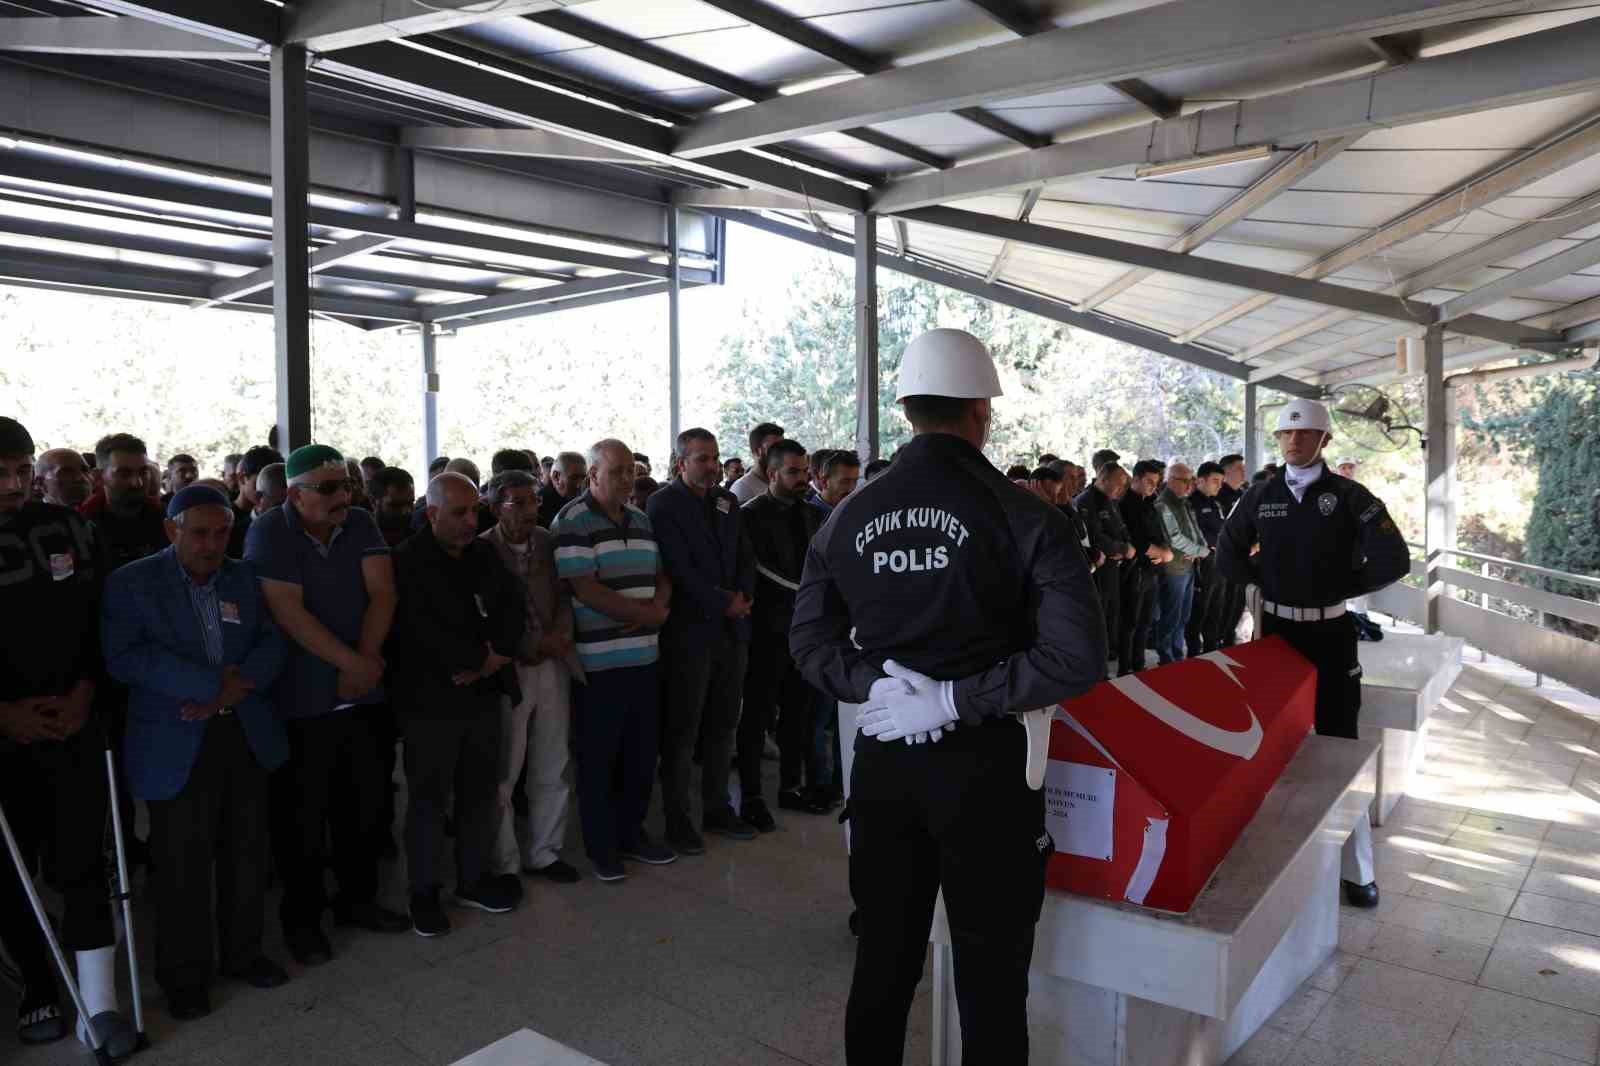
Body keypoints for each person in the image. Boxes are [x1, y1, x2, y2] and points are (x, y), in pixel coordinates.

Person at [791, 329, 1106, 1063]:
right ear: (980, 411)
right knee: (991, 977)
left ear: (906, 409)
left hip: (886, 762)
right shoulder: (1028, 518)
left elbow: (809, 643)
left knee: (882, 965)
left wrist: (879, 684)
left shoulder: (845, 518)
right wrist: (957, 700)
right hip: (989, 768)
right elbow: (1074, 658)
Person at [102, 485, 291, 1021]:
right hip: (174, 738)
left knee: (247, 853)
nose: (212, 544)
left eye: (221, 532)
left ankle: (245, 954)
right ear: (172, 530)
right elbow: (125, 656)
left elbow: (273, 642)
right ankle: (184, 976)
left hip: (246, 731)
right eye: (200, 533)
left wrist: (237, 688)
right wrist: (209, 687)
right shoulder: (132, 583)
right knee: (181, 866)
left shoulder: (245, 578)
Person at [1217, 398, 1410, 910]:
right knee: (1270, 745)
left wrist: (1342, 584)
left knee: (1339, 745)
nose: (1294, 443)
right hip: (1276, 636)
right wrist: (1267, 579)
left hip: (1331, 634)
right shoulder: (1260, 495)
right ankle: (1268, 861)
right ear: (1279, 440)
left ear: (1324, 440)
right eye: (1286, 436)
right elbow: (1227, 551)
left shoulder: (1349, 495)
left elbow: (1395, 557)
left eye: (1305, 436)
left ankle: (1357, 870)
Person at [0, 417, 140, 1059]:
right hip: (5, 736)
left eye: (21, 469)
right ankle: (38, 982)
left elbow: (103, 616)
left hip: (78, 721)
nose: (13, 484)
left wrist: (87, 688)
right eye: (1, 473)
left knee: (84, 862)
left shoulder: (72, 527)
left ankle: (101, 1003)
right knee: (10, 872)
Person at [245, 444, 409, 965]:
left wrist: (364, 662)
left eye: (347, 485)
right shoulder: (270, 530)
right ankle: (303, 920)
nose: (344, 496)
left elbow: (382, 593)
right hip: (302, 698)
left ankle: (358, 902)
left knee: (364, 809)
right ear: (295, 494)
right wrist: (353, 664)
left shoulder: (359, 523)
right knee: (302, 821)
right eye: (330, 488)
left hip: (363, 693)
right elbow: (288, 613)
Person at [390, 473, 526, 934]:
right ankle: (423, 892)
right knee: (429, 800)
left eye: (475, 511)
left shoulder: (484, 554)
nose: (472, 521)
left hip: (485, 695)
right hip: (431, 701)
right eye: (459, 513)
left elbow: (512, 606)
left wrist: (495, 657)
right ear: (431, 514)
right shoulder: (407, 562)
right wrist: (474, 657)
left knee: (480, 792)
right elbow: (415, 629)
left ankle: (472, 879)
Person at [552, 439, 676, 882]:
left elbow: (661, 573)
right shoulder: (573, 520)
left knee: (641, 756)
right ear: (593, 475)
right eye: (618, 471)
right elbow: (584, 587)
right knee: (599, 759)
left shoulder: (641, 518)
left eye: (631, 470)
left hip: (644, 657)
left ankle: (632, 834)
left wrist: (659, 606)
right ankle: (602, 847)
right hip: (598, 665)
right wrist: (645, 614)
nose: (627, 478)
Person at [646, 429, 757, 852]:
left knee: (723, 724)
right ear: (680, 463)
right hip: (690, 633)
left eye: (714, 458)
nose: (711, 466)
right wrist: (720, 601)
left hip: (733, 631)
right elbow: (676, 567)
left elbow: (745, 555)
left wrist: (743, 596)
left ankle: (717, 808)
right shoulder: (663, 504)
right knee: (683, 731)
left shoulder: (727, 501)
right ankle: (678, 818)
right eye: (701, 459)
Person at [480, 470, 582, 884]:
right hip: (511, 668)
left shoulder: (546, 540)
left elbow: (565, 595)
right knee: (507, 767)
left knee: (553, 760)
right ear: (494, 507)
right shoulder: (482, 549)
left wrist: (559, 636)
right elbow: (485, 615)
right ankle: (504, 860)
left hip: (555, 661)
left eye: (532, 501)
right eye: (516, 503)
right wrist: (526, 646)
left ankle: (545, 852)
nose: (527, 511)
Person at [739, 439, 827, 826]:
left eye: (805, 471)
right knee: (756, 717)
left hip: (805, 635)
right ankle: (751, 796)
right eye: (793, 472)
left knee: (799, 717)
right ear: (772, 473)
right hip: (765, 633)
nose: (802, 479)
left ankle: (791, 787)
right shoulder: (749, 515)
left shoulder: (815, 514)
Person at [1076, 462, 1133, 676]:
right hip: (1098, 569)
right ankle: (1097, 670)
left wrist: (1126, 546)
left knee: (1112, 616)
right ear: (1103, 479)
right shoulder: (1086, 501)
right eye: (1117, 485)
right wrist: (1119, 548)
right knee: (1099, 619)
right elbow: (1094, 536)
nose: (1120, 490)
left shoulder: (1110, 501)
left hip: (1114, 568)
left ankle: (1106, 664)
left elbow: (1120, 528)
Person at [1118, 459, 1171, 675]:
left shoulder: (1150, 501)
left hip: (1152, 571)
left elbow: (1160, 532)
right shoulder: (1126, 504)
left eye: (1156, 483)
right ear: (1136, 479)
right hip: (1135, 571)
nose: (1153, 487)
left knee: (1145, 622)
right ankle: (1125, 668)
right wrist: (1163, 554)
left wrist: (1165, 551)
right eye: (1149, 482)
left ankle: (1138, 665)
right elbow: (1137, 541)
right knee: (1130, 622)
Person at [1151, 463, 1208, 665]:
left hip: (1187, 566)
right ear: (1172, 480)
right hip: (1173, 569)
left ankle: (1176, 655)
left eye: (1191, 480)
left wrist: (1200, 548)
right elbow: (1175, 538)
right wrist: (1201, 551)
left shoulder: (1183, 502)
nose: (1190, 484)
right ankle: (1166, 658)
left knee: (1183, 616)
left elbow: (1194, 531)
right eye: (1186, 480)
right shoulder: (1163, 504)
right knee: (1171, 617)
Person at [1186, 462, 1227, 655]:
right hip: (1202, 564)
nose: (1219, 485)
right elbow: (1195, 534)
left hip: (1219, 562)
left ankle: (1212, 649)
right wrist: (1213, 543)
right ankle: (1194, 651)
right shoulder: (1190, 503)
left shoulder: (1215, 503)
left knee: (1216, 609)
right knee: (1199, 610)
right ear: (1200, 480)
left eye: (1221, 482)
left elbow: (1223, 530)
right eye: (1215, 481)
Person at [228, 445, 285, 559]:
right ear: (242, 478)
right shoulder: (226, 520)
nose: (267, 490)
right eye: (259, 483)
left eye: (275, 484)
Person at [730, 421, 785, 504]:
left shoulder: (782, 483)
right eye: (773, 449)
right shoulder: (742, 488)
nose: (781, 454)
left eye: (783, 448)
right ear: (757, 451)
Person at [370, 465, 416, 547]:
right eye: (396, 506)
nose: (405, 512)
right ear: (373, 502)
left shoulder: (421, 541)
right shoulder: (360, 542)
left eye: (410, 504)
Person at [538, 451, 586, 529]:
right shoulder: (540, 503)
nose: (579, 484)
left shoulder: (581, 499)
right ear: (556, 476)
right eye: (574, 478)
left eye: (583, 478)